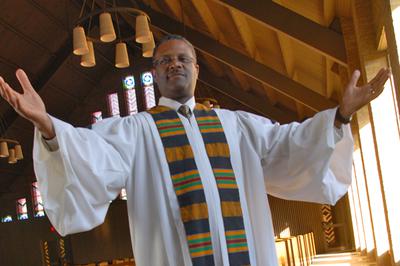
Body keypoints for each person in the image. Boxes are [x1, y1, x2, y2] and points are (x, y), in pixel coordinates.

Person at [0, 35, 390, 266]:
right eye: (164, 61)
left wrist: (339, 116)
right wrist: (48, 124)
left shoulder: (237, 126)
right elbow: (90, 155)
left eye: (183, 59)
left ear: (197, 69)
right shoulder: (136, 131)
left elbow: (290, 144)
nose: (174, 65)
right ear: (154, 74)